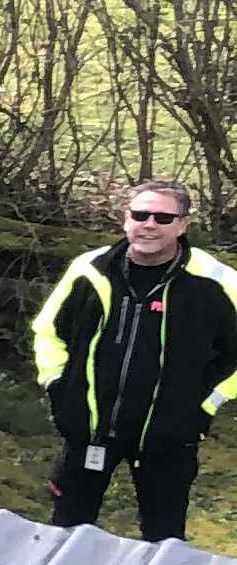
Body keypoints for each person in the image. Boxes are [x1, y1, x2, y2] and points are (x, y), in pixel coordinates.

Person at [33, 179, 237, 542]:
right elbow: (49, 331)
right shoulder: (90, 270)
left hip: (168, 439)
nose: (150, 225)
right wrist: (58, 386)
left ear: (182, 224)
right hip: (91, 431)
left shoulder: (217, 283)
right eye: (140, 214)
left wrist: (207, 404)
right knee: (66, 531)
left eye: (163, 217)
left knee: (164, 540)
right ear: (126, 219)